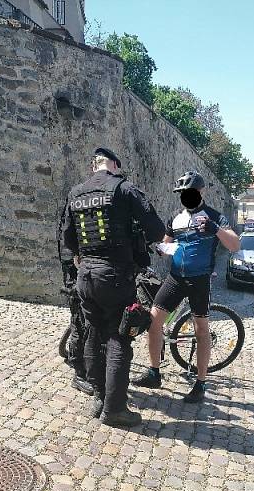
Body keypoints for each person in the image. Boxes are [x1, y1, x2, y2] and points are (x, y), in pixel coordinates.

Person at [60, 148, 165, 427]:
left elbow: (69, 239)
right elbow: (156, 230)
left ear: (93, 166)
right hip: (115, 275)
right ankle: (115, 408)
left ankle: (99, 397)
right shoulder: (124, 189)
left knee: (94, 334)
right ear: (115, 165)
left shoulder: (76, 193)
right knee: (120, 337)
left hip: (86, 275)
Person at [132, 171, 241, 403]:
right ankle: (154, 372)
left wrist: (215, 229)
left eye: (189, 192)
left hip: (199, 280)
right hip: (175, 278)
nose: (185, 197)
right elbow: (166, 247)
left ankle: (201, 383)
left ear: (201, 192)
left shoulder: (214, 217)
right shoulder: (175, 219)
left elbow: (234, 245)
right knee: (153, 322)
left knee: (201, 329)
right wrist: (160, 248)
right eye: (182, 193)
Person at [57, 199, 92, 396]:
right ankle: (79, 374)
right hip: (75, 265)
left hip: (82, 263)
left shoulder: (81, 199)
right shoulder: (79, 201)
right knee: (79, 319)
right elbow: (68, 238)